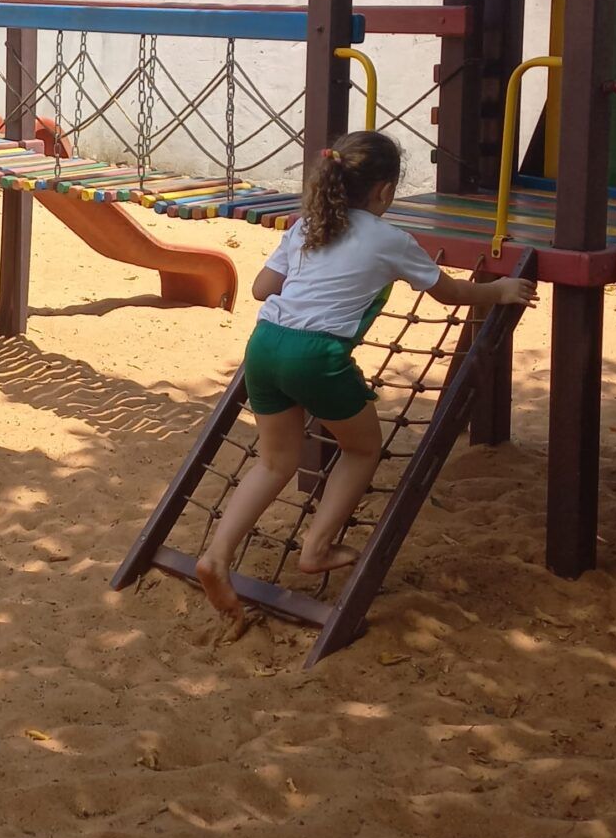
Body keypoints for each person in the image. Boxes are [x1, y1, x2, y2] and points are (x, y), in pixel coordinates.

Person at [194, 131, 534, 626]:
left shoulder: (308, 224)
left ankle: (217, 555)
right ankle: (316, 546)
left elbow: (262, 289)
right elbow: (450, 293)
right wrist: (499, 289)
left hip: (265, 345)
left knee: (273, 461)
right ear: (385, 192)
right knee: (361, 448)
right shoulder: (390, 240)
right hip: (318, 355)